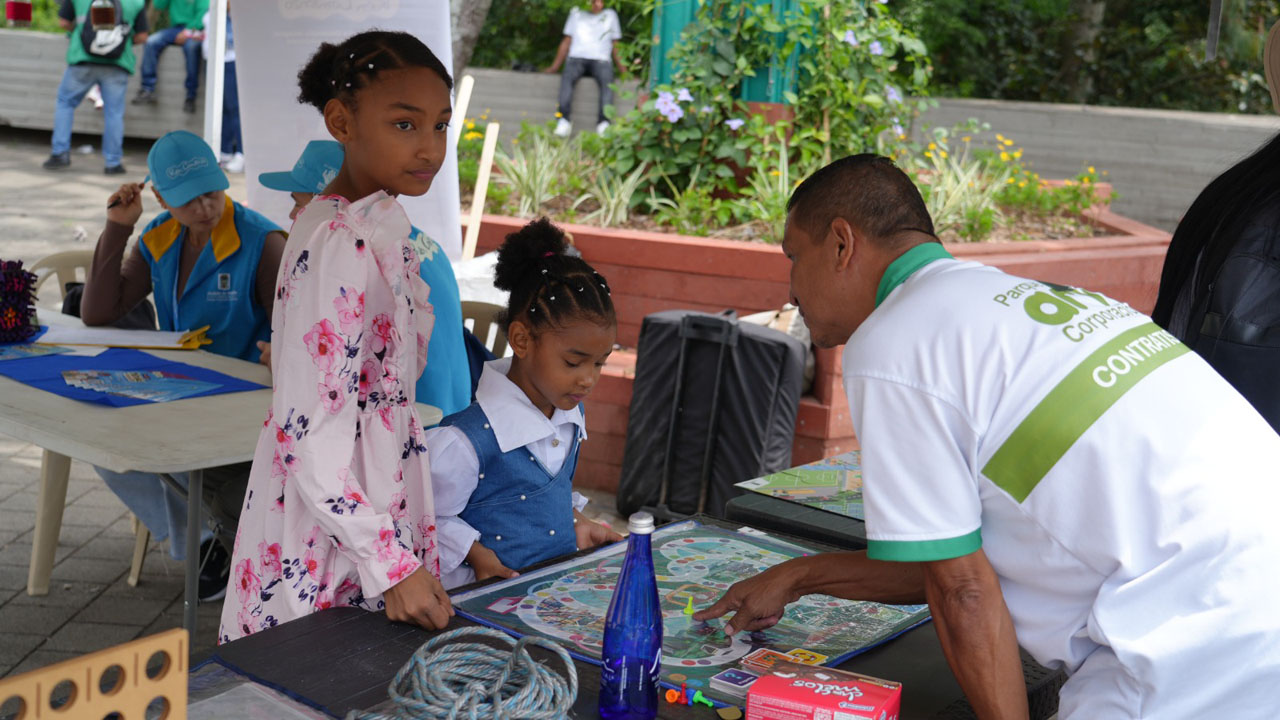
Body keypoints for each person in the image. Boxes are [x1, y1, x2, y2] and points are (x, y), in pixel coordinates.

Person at [695, 155, 1280, 717]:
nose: (791, 290)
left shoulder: (898, 338)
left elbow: (964, 592)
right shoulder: (1009, 303)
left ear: (842, 244)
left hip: (1196, 639)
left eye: (794, 257)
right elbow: (958, 558)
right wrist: (798, 576)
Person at [218, 30, 457, 642]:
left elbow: (393, 374)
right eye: (405, 125)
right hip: (336, 517)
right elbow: (310, 429)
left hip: (369, 496)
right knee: (316, 674)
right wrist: (390, 564)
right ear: (341, 121)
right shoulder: (340, 240)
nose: (430, 147)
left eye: (440, 125)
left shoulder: (370, 226)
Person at [83, 130, 286, 600]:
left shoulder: (262, 241)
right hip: (181, 392)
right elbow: (98, 311)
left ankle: (216, 545)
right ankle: (203, 545)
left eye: (213, 192)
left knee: (164, 457)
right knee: (107, 450)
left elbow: (294, 334)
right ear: (159, 198)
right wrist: (118, 226)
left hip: (245, 403)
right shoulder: (158, 236)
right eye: (189, 200)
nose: (205, 208)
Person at [426, 218, 622, 589]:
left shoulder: (570, 413)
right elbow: (423, 517)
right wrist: (476, 553)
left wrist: (581, 524)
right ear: (520, 339)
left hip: (546, 600)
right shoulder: (464, 442)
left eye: (599, 363)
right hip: (479, 611)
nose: (588, 378)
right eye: (573, 361)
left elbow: (547, 493)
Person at [259, 140, 472, 417]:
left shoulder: (351, 254)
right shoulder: (420, 241)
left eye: (299, 204)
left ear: (328, 201)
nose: (292, 215)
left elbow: (337, 377)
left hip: (408, 424)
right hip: (455, 410)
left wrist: (286, 363)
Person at [43, 0, 149, 174]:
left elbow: (64, 22)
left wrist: (80, 32)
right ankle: (113, 163)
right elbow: (143, 36)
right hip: (117, 64)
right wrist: (121, 40)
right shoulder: (135, 2)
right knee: (114, 113)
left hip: (82, 60)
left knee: (65, 103)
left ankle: (59, 154)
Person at [544, 0, 624, 138]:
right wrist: (554, 67)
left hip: (601, 60)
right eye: (594, 1)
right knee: (566, 80)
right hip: (576, 58)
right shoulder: (576, 12)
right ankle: (563, 120)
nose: (598, 4)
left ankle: (604, 123)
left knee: (608, 84)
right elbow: (567, 41)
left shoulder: (611, 15)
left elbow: (616, 45)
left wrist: (625, 71)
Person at [134, 0, 209, 114]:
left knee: (191, 48)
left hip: (195, 30)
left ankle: (191, 95)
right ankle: (147, 89)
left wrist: (187, 31)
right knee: (151, 42)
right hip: (175, 29)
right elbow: (158, 5)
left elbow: (203, 15)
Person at [202, 3, 242, 173]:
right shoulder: (210, 7)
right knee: (221, 109)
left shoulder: (232, 12)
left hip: (229, 60)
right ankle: (224, 151)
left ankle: (241, 153)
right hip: (213, 61)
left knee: (234, 109)